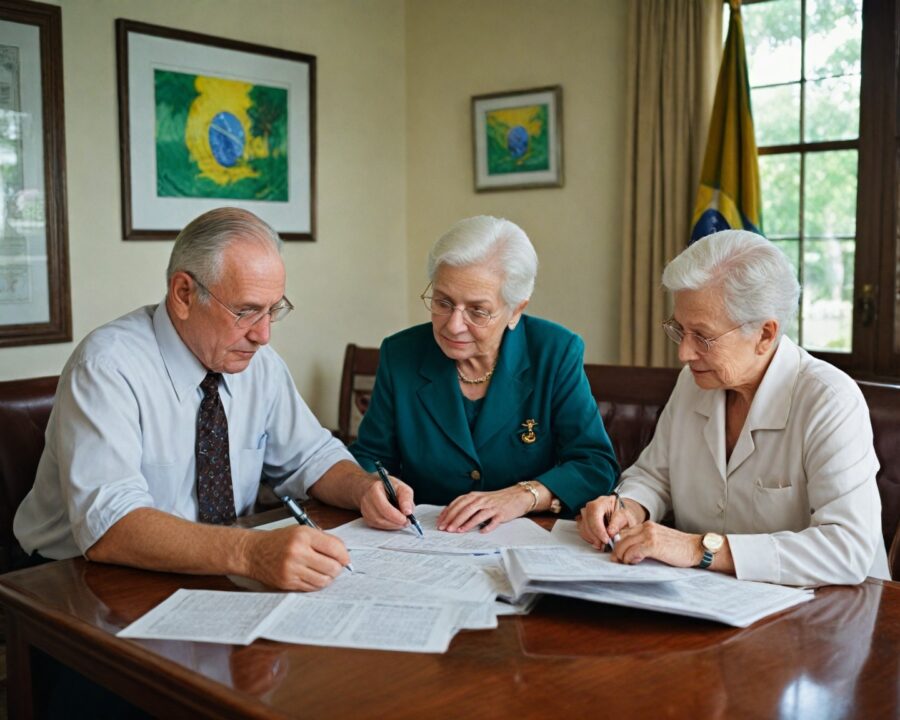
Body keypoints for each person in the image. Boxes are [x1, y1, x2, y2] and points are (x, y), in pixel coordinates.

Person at [14, 207, 407, 591]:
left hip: (213, 566)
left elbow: (311, 457)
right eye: (247, 311)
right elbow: (110, 526)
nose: (264, 335)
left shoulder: (259, 363)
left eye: (274, 310)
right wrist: (252, 554)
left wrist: (362, 487)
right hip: (73, 579)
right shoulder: (107, 366)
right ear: (184, 293)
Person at [578, 229, 889, 586]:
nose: (684, 353)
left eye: (703, 337)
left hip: (834, 614)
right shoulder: (694, 381)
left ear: (765, 334)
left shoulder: (829, 400)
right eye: (680, 330)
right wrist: (627, 508)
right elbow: (655, 476)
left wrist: (701, 549)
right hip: (715, 603)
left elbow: (846, 548)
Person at [350, 215, 619, 533]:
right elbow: (370, 457)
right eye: (443, 302)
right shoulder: (401, 354)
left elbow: (596, 465)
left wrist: (525, 495)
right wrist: (373, 489)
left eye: (477, 311)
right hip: (426, 539)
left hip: (526, 539)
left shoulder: (555, 352)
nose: (453, 325)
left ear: (516, 310)